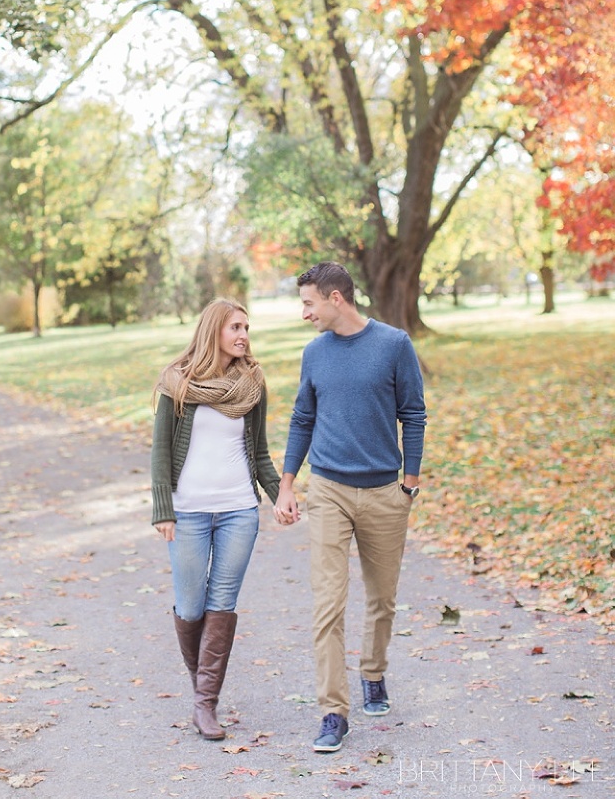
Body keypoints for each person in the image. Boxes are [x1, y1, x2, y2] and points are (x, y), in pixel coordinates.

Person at [274, 262, 426, 754]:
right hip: (329, 491)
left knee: (381, 599)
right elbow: (302, 418)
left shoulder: (394, 345)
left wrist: (409, 484)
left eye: (309, 303)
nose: (304, 313)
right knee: (327, 603)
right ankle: (333, 711)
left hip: (385, 493)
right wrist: (288, 485)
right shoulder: (314, 353)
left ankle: (374, 675)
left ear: (336, 298)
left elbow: (414, 413)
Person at [151, 298, 282, 740]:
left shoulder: (252, 384)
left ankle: (205, 704)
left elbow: (259, 452)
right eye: (235, 327)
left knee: (220, 604)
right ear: (214, 332)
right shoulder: (178, 383)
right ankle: (201, 691)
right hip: (187, 512)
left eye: (247, 326)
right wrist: (162, 510)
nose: (244, 335)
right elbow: (160, 452)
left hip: (239, 511)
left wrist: (281, 493)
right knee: (190, 607)